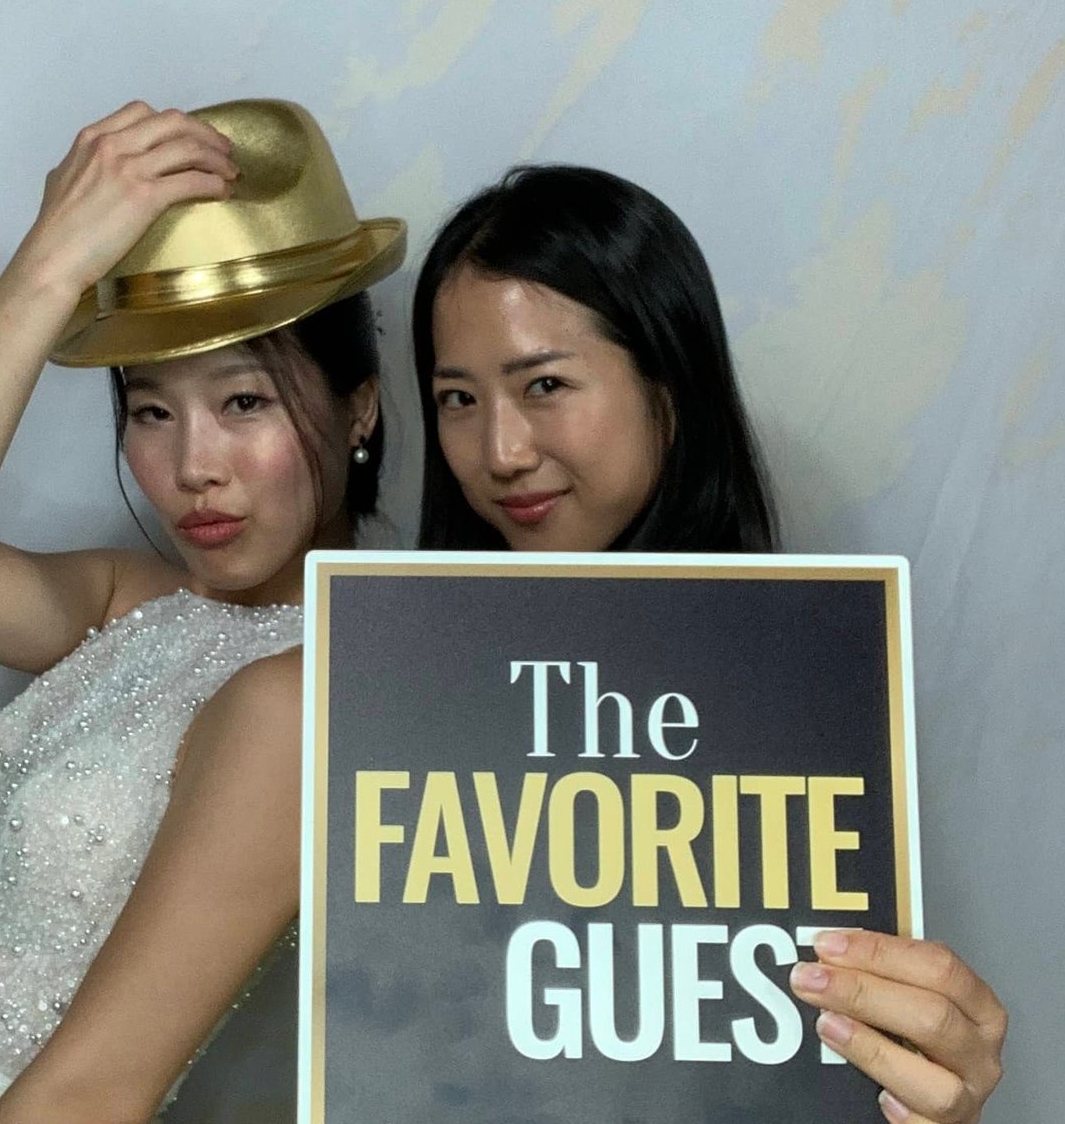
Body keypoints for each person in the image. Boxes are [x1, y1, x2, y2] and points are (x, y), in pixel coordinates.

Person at [409, 164, 1007, 1124]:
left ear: (668, 388)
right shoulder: (378, 692)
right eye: (457, 399)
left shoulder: (808, 696)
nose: (500, 450)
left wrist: (920, 1092)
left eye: (546, 385)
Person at [0, 97, 402, 1123]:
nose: (191, 469)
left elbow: (99, 1089)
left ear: (356, 404)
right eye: (150, 409)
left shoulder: (319, 688)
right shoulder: (130, 601)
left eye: (244, 402)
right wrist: (48, 266)